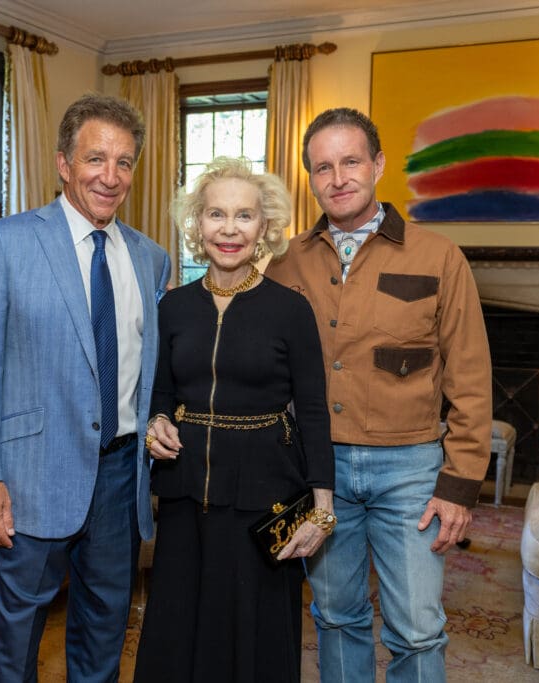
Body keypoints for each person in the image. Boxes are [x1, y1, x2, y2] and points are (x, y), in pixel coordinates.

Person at [265, 107, 493, 682]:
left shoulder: (438, 257)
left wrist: (459, 486)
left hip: (411, 471)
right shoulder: (285, 262)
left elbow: (469, 377)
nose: (337, 177)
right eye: (322, 167)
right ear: (310, 179)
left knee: (417, 628)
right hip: (319, 472)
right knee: (336, 616)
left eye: (350, 161)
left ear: (378, 164)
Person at [0, 93, 171, 682]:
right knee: (15, 638)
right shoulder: (3, 243)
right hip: (28, 477)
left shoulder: (152, 259)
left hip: (122, 477)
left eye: (124, 162)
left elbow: (147, 372)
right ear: (63, 163)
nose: (110, 175)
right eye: (95, 158)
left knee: (105, 630)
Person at [133, 157, 334, 683]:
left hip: (262, 496)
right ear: (197, 224)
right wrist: (157, 423)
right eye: (216, 214)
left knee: (252, 634)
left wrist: (322, 509)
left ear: (264, 226)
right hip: (183, 497)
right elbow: (160, 391)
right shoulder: (173, 306)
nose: (229, 229)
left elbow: (313, 410)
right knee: (180, 627)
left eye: (244, 216)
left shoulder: (291, 310)